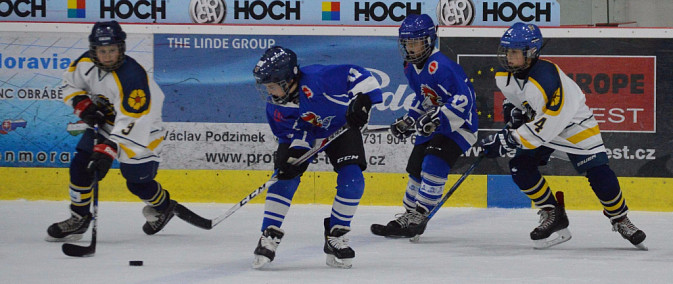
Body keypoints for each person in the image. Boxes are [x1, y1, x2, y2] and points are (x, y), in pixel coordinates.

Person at [480, 22, 647, 249]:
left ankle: (620, 218)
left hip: (574, 127)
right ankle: (552, 212)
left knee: (599, 173)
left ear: (531, 53)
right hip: (541, 125)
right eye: (507, 51)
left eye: (514, 52)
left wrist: (509, 139)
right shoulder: (505, 74)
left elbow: (549, 125)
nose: (508, 57)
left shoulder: (547, 79)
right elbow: (516, 97)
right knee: (520, 166)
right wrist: (514, 111)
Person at [46, 21, 187, 241]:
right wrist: (82, 104)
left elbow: (135, 119)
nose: (108, 56)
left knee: (137, 182)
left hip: (143, 132)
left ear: (121, 48)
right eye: (102, 51)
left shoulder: (132, 76)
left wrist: (109, 148)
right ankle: (79, 217)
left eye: (112, 50)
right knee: (81, 165)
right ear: (94, 50)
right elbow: (68, 84)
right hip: (105, 125)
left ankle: (164, 206)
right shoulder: (84, 63)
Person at [251, 46, 383, 269]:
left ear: (287, 80)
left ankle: (336, 234)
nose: (269, 91)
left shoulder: (318, 79)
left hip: (341, 128)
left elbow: (356, 74)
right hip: (307, 134)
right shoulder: (275, 108)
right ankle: (269, 233)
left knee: (353, 182)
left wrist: (363, 100)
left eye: (272, 86)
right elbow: (293, 133)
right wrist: (295, 151)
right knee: (285, 176)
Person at [370, 14, 479, 239]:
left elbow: (465, 99)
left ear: (429, 40)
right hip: (434, 124)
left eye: (415, 42)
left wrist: (438, 117)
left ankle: (420, 215)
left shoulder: (441, 67)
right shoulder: (411, 67)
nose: (410, 47)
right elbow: (425, 99)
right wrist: (410, 119)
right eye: (407, 42)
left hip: (460, 126)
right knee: (415, 168)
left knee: (433, 163)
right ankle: (408, 215)